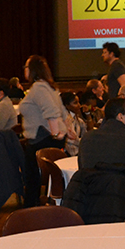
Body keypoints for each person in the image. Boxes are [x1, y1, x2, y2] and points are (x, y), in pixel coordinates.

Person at [20, 55, 70, 206]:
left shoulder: (39, 88)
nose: (25, 70)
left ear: (32, 70)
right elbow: (63, 112)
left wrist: (56, 134)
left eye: (26, 67)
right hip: (47, 137)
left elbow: (52, 112)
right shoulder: (48, 86)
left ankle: (31, 213)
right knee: (40, 178)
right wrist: (68, 131)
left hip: (41, 138)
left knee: (33, 179)